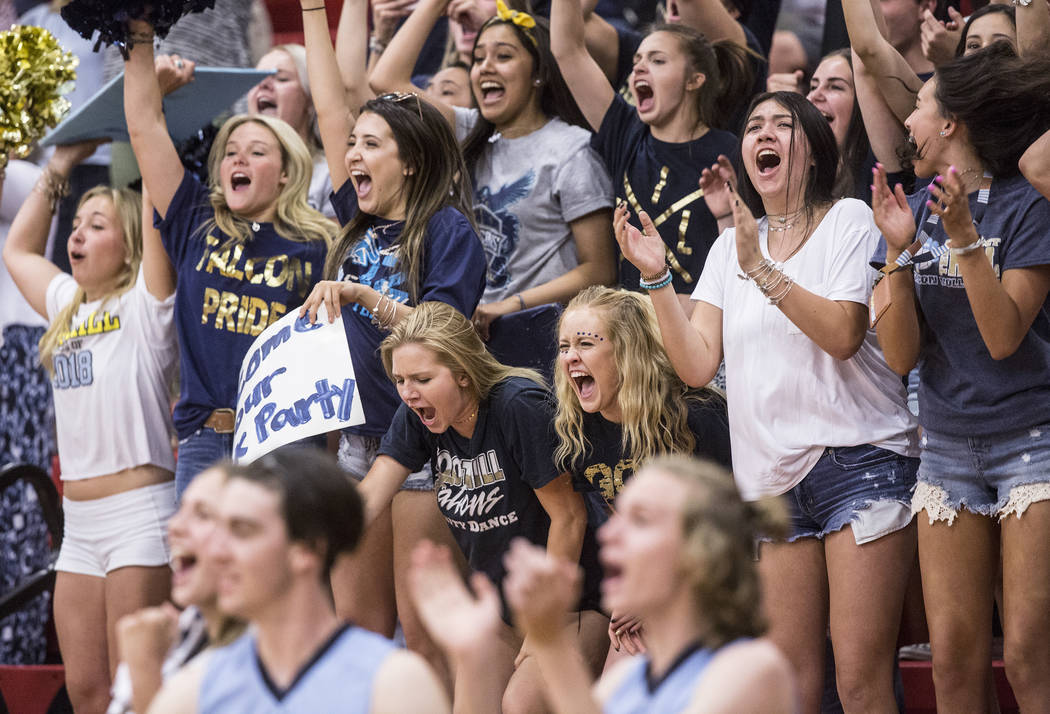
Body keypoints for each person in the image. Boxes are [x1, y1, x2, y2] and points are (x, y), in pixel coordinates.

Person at [616, 91, 921, 712]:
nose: (764, 134)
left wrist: (764, 270)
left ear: (811, 152)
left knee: (861, 685)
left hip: (857, 463)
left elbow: (842, 335)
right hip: (770, 488)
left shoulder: (850, 221)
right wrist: (655, 278)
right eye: (753, 125)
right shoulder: (728, 249)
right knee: (789, 688)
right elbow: (698, 365)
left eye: (783, 126)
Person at [299, 2, 487, 686]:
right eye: (352, 147)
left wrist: (361, 297)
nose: (352, 155)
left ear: (409, 161)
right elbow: (328, 108)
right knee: (357, 637)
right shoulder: (357, 218)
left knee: (425, 644)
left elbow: (443, 337)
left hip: (424, 452)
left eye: (371, 145)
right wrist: (314, 13)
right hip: (354, 446)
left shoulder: (449, 232)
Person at [870, 44, 1050, 711]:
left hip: (1032, 437)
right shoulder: (911, 208)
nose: (907, 125)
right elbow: (898, 356)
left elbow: (1004, 337)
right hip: (946, 445)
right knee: (953, 664)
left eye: (917, 106)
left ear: (952, 123)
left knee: (1031, 658)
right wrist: (895, 253)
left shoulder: (1028, 206)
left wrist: (964, 236)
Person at [359, 301, 608, 713]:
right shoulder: (420, 416)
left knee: (520, 705)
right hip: (502, 603)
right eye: (400, 379)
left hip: (573, 597)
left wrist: (542, 625)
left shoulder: (517, 406)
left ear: (462, 372)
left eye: (422, 378)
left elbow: (569, 517)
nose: (408, 392)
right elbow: (371, 495)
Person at [123, 17, 335, 498]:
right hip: (203, 443)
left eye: (257, 152)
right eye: (231, 151)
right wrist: (135, 25)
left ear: (285, 174)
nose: (238, 159)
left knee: (278, 576)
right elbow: (143, 128)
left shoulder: (319, 243)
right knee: (200, 576)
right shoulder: (196, 218)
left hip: (284, 444)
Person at [408, 456, 798, 713]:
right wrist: (473, 657)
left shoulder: (751, 671)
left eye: (641, 520)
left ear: (699, 551)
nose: (611, 535)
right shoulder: (626, 682)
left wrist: (551, 646)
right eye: (618, 516)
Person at [3, 142, 177, 714]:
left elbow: (156, 208)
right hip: (78, 524)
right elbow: (18, 249)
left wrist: (150, 127)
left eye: (95, 225)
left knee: (136, 689)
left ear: (129, 243)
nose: (76, 235)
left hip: (140, 516)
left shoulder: (145, 306)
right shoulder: (66, 304)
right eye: (75, 225)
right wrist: (59, 167)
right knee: (84, 691)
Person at [370, 0, 617, 340]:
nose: (485, 67)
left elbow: (599, 268)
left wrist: (509, 306)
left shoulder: (570, 149)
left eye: (502, 56)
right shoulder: (468, 129)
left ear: (539, 72)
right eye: (478, 58)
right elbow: (386, 79)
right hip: (474, 340)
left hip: (545, 339)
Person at [146, 447, 451, 714]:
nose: (217, 552)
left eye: (242, 530)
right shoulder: (192, 690)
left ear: (307, 549)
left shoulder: (395, 684)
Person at [554, 285, 731, 656]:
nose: (570, 357)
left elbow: (727, 532)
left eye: (585, 344)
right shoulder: (581, 430)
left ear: (628, 350)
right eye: (564, 346)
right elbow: (627, 530)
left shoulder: (694, 417)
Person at [550, 0, 751, 304]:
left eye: (657, 60)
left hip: (702, 334)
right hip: (632, 334)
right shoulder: (625, 131)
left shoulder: (730, 152)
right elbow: (567, 48)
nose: (640, 67)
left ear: (695, 80)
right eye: (637, 61)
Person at [107, 468, 244, 714]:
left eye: (203, 515)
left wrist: (145, 670)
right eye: (181, 510)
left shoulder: (265, 659)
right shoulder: (181, 630)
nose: (174, 526)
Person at [247, 43, 337, 217]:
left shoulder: (329, 177)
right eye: (256, 78)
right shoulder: (232, 170)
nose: (264, 85)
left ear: (310, 99)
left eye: (281, 78)